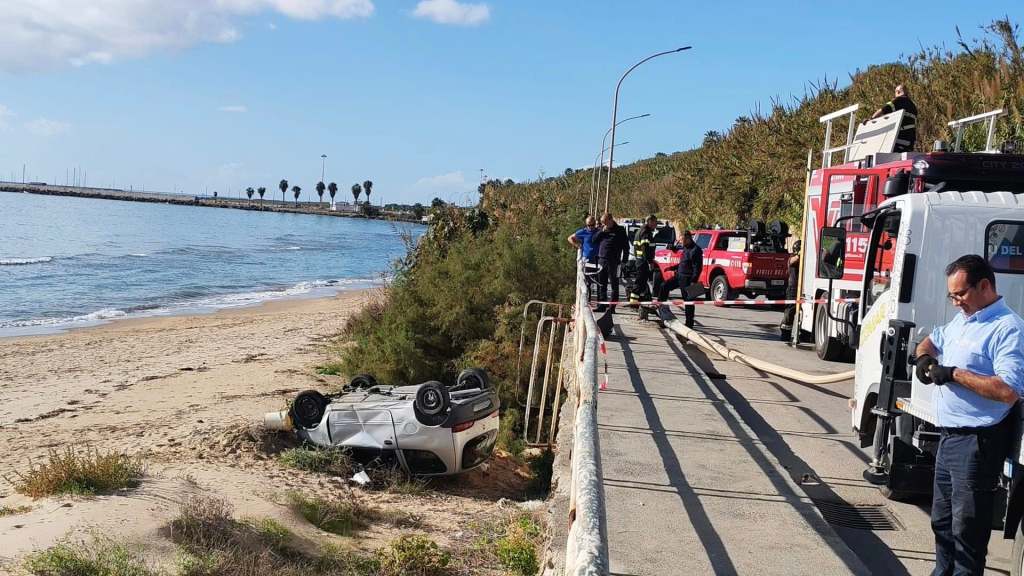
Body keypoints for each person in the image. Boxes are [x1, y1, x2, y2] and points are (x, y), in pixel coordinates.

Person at [913, 255, 1024, 575]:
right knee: (942, 523)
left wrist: (953, 374)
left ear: (984, 285)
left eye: (960, 294)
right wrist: (924, 358)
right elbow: (930, 342)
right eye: (951, 295)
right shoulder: (963, 320)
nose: (955, 302)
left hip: (978, 442)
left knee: (967, 532)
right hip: (949, 438)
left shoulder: (1008, 328)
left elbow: (1008, 390)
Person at [657, 230, 703, 328]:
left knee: (688, 301)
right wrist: (672, 268)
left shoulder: (696, 250)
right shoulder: (685, 248)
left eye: (682, 240)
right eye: (680, 240)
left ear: (688, 239)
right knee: (664, 286)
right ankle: (662, 311)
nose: (681, 242)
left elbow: (698, 268)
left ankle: (689, 324)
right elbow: (683, 263)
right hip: (679, 276)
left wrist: (693, 281)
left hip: (688, 279)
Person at [591, 213, 629, 312]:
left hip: (614, 261)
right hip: (602, 260)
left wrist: (624, 261)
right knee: (601, 284)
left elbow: (626, 247)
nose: (604, 224)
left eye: (605, 222)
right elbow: (594, 240)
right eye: (602, 223)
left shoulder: (620, 230)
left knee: (614, 285)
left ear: (611, 220)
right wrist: (601, 231)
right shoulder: (602, 229)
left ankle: (612, 307)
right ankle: (601, 305)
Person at [869, 84, 918, 152]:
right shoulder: (913, 105)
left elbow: (883, 109)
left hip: (899, 140)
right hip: (910, 142)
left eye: (895, 92)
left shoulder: (898, 100)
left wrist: (871, 119)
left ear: (898, 92)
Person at [628, 214, 659, 304]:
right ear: (650, 221)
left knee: (642, 282)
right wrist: (649, 261)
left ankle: (637, 300)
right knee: (640, 281)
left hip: (640, 260)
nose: (656, 225)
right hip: (643, 261)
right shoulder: (646, 232)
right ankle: (633, 301)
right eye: (655, 222)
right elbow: (645, 248)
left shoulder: (641, 230)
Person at [780, 240, 801, 339]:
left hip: (800, 288)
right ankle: (785, 332)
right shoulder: (792, 258)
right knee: (790, 310)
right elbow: (793, 261)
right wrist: (800, 255)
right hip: (793, 288)